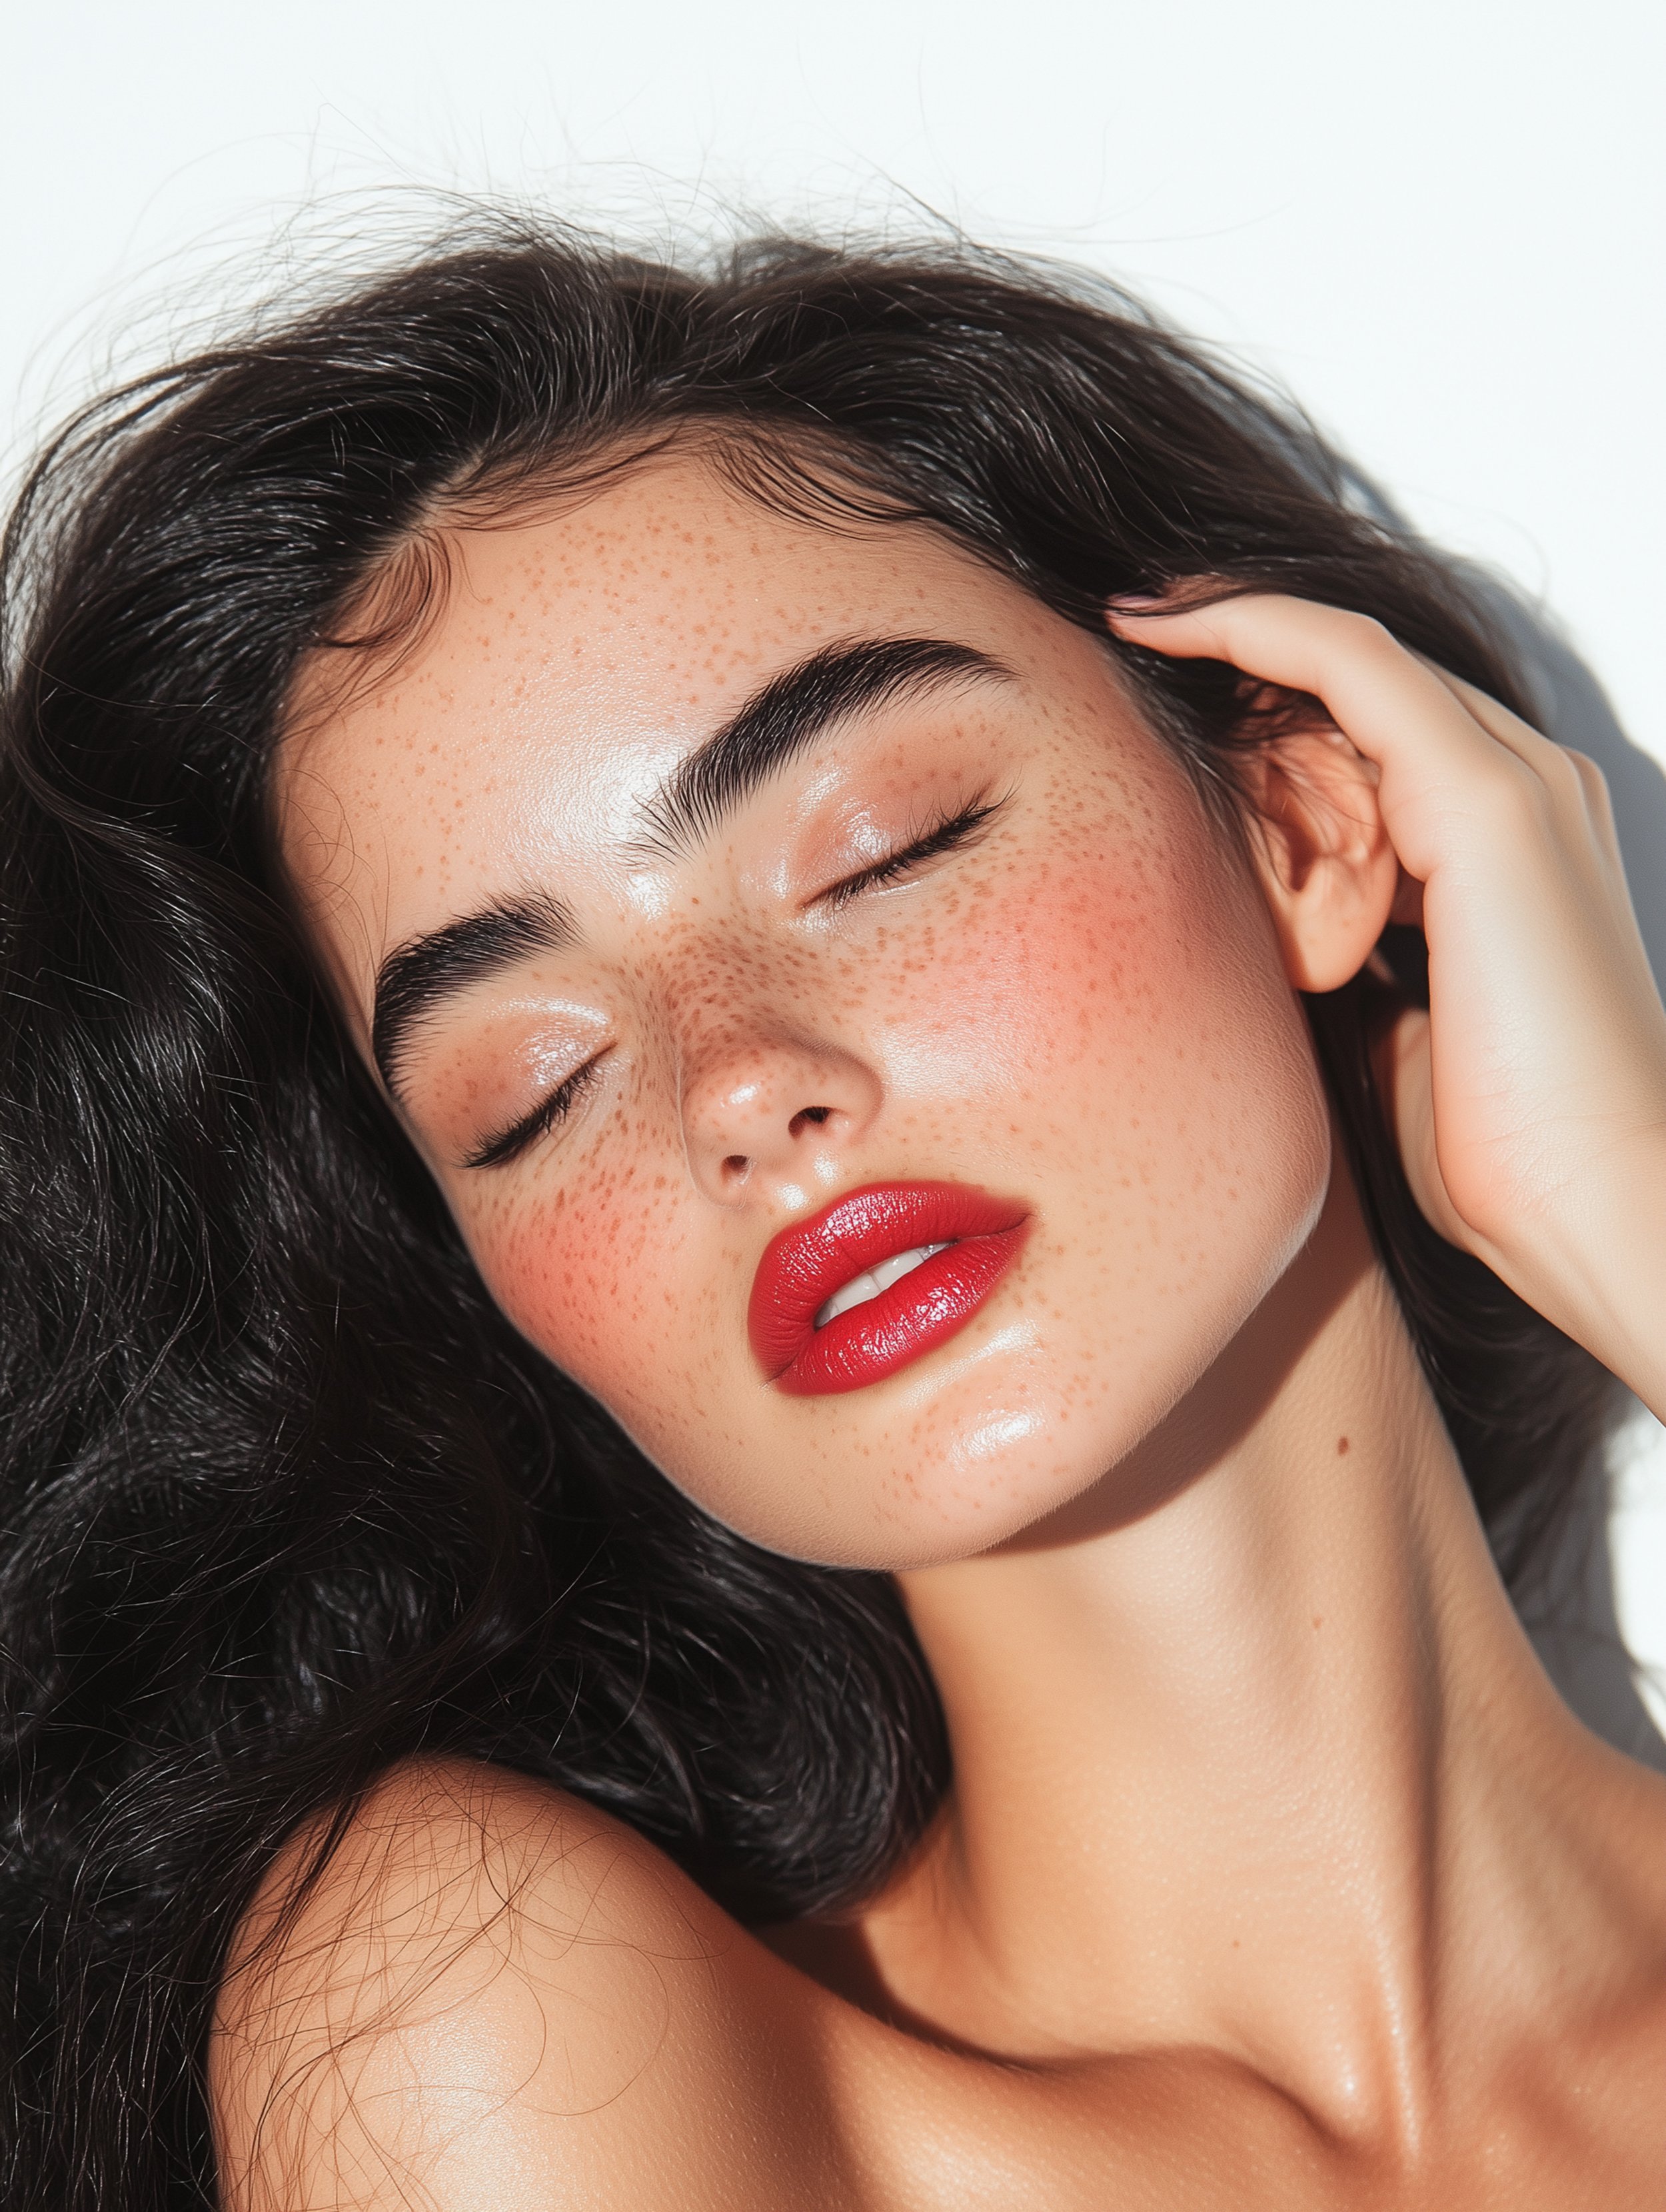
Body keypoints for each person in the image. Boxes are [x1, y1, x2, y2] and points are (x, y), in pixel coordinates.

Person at [3, 219, 1665, 2210]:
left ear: (1300, 824)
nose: (731, 1085)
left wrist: (1629, 1214)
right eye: (529, 1090)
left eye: (879, 855)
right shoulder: (503, 2032)